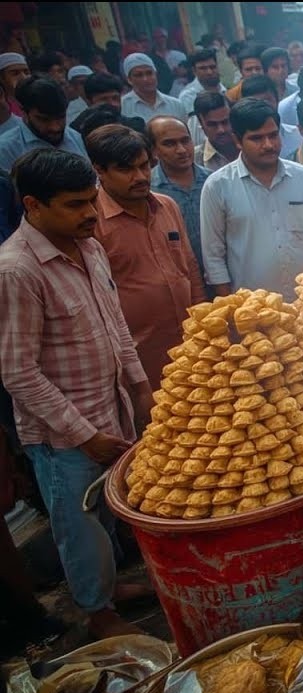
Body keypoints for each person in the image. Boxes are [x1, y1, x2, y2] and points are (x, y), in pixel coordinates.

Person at [0, 148, 153, 639]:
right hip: (64, 435)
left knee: (105, 512)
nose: (90, 213)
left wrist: (141, 386)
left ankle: (111, 588)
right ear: (33, 205)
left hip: (112, 408)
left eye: (91, 200)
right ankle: (96, 610)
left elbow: (115, 326)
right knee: (78, 521)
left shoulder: (88, 247)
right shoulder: (16, 271)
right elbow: (18, 373)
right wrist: (85, 435)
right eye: (74, 204)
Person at [86, 125, 203, 388]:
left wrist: (202, 324)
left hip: (190, 347)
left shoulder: (166, 206)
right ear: (99, 170)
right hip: (135, 358)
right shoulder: (92, 222)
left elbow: (190, 267)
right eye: (126, 169)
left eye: (144, 166)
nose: (139, 176)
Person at [200, 98, 303, 300]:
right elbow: (213, 257)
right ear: (237, 140)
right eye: (257, 138)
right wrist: (232, 309)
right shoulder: (217, 186)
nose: (268, 145)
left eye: (273, 135)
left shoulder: (302, 177)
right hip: (254, 314)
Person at [148, 115, 212, 284]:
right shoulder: (148, 191)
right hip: (178, 283)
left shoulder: (214, 182)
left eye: (185, 141)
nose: (182, 150)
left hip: (221, 279)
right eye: (170, 144)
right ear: (154, 150)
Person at [0, 77, 86, 172]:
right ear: (24, 113)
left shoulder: (75, 137)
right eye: (44, 119)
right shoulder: (6, 149)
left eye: (61, 117)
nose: (55, 127)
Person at [119, 53, 184, 122]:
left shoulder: (175, 105)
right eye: (139, 75)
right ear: (129, 80)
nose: (145, 79)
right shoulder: (122, 106)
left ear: (155, 74)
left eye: (149, 73)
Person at [192, 91, 237, 172]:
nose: (221, 130)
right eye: (212, 124)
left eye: (225, 122)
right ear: (201, 124)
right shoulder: (194, 160)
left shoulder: (250, 149)